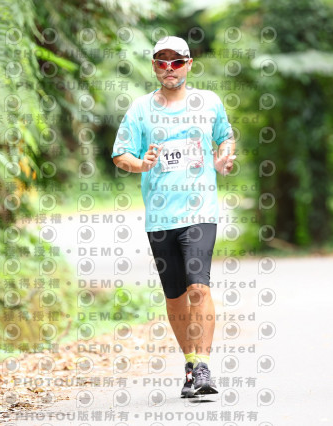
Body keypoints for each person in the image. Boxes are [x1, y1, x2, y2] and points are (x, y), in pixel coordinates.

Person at [111, 35, 236, 397]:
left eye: (176, 61)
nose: (169, 68)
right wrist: (142, 164)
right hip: (161, 217)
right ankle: (191, 364)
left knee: (199, 287)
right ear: (154, 66)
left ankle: (204, 367)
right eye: (162, 62)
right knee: (177, 296)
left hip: (200, 211)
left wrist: (224, 156)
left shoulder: (209, 102)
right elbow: (120, 155)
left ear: (188, 65)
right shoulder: (140, 110)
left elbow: (225, 137)